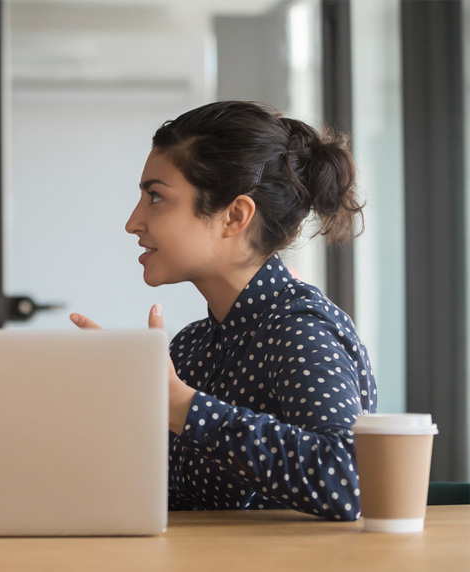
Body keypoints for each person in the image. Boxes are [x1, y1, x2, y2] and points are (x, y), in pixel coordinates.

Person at [68, 101, 373, 520]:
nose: (133, 222)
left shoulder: (299, 329)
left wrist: (181, 406)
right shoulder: (192, 346)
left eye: (155, 197)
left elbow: (349, 478)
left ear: (235, 216)